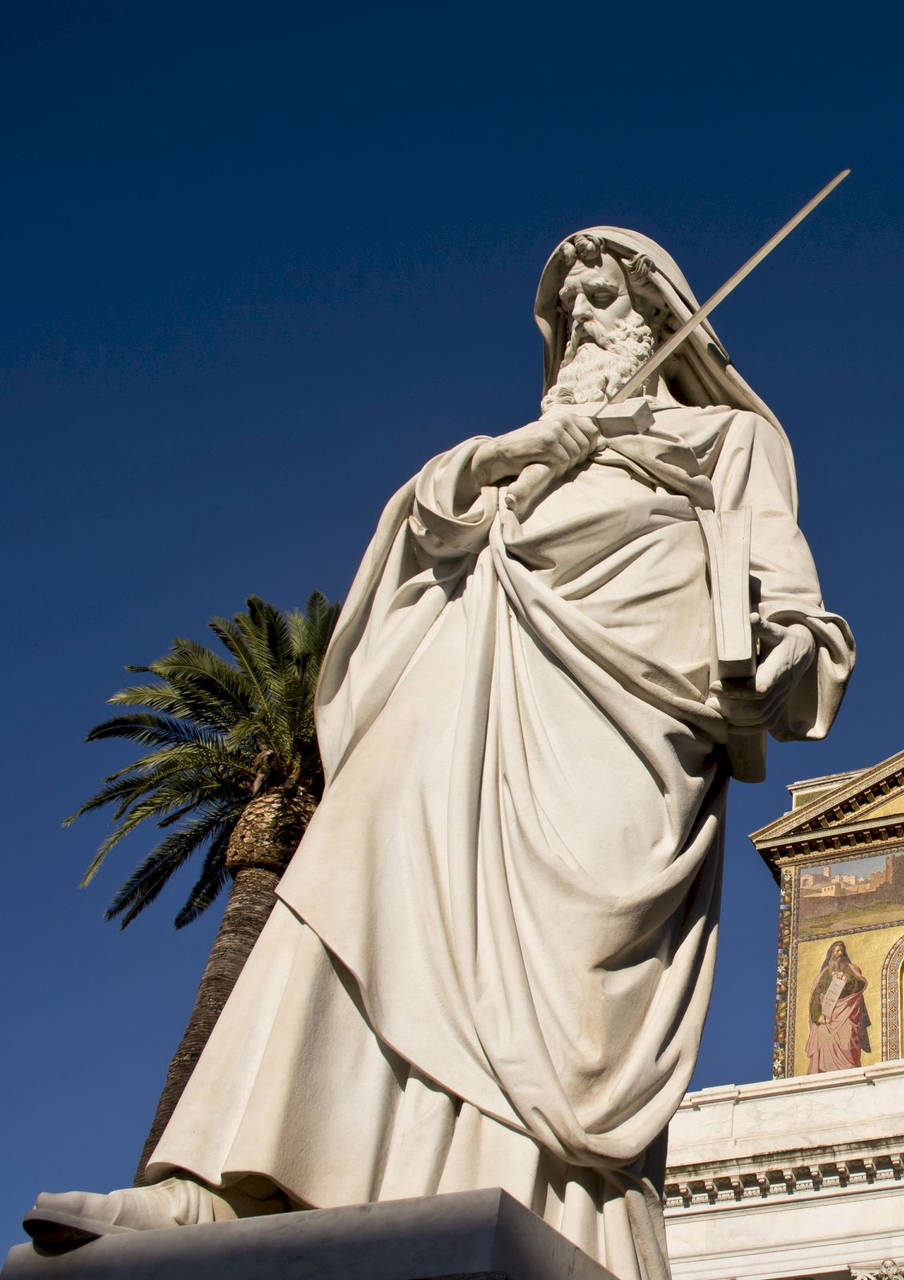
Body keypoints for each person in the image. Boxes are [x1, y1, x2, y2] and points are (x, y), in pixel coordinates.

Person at [24, 228, 855, 1279]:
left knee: (562, 984)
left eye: (605, 301)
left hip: (628, 722)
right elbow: (421, 528)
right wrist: (517, 455)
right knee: (351, 867)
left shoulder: (725, 442)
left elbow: (799, 616)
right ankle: (217, 1182)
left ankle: (516, 1188)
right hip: (474, 684)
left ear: (659, 316)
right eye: (570, 311)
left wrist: (780, 655)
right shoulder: (519, 452)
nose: (585, 325)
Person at [804, 941, 870, 1073]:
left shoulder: (851, 969)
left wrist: (846, 978)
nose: (838, 954)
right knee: (823, 1037)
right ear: (830, 954)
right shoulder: (825, 974)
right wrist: (818, 1016)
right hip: (827, 1016)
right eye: (835, 951)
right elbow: (816, 995)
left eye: (840, 951)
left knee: (847, 1041)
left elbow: (860, 984)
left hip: (847, 1013)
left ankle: (850, 1071)